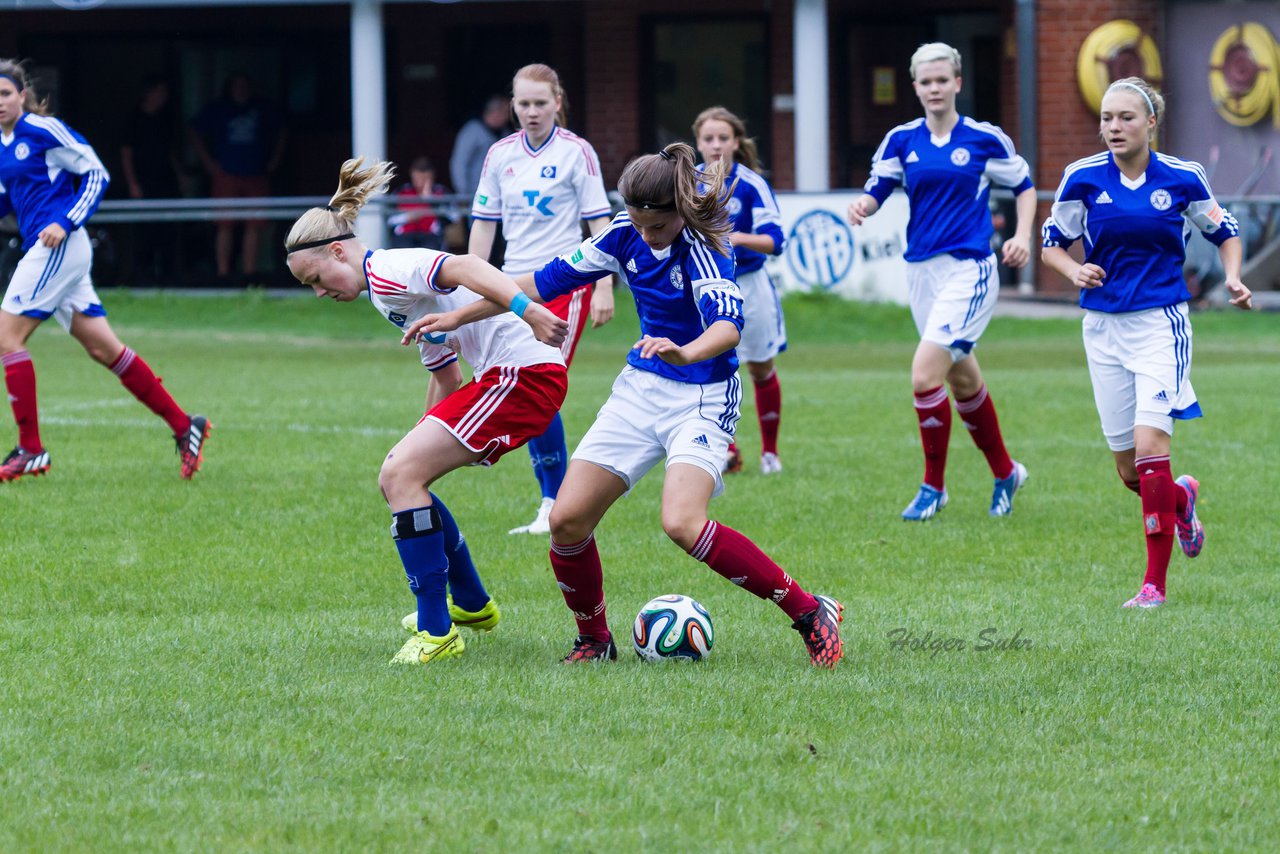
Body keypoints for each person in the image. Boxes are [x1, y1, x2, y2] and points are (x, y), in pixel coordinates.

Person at [405, 143, 845, 668]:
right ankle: (594, 640)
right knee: (567, 520)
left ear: (680, 213)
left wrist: (686, 350)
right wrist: (461, 316)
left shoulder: (706, 249)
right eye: (636, 224)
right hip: (640, 389)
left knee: (682, 522)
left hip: (702, 395)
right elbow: (539, 282)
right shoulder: (623, 231)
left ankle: (809, 612)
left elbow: (728, 328)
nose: (643, 235)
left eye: (654, 228)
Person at [284, 157, 569, 665]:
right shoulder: (382, 296)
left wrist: (528, 310)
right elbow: (446, 375)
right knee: (400, 476)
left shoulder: (390, 269)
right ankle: (473, 605)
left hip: (523, 376)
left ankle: (437, 632)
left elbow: (465, 266)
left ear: (336, 251)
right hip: (500, 378)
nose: (319, 292)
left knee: (401, 474)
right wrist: (411, 449)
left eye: (316, 278)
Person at [1041, 77, 1252, 609]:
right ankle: (1180, 499)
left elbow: (1223, 229)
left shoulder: (1182, 177)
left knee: (1153, 447)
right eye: (1107, 118)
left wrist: (1232, 277)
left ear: (1151, 122)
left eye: (1126, 117)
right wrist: (1073, 269)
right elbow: (1052, 245)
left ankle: (1153, 586)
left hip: (1161, 322)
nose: (1113, 126)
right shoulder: (1081, 177)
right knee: (1129, 469)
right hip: (1102, 329)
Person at [847, 42, 1036, 521]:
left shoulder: (984, 138)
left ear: (957, 82)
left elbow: (1024, 186)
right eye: (925, 82)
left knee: (923, 374)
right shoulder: (900, 140)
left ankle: (933, 487)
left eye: (942, 80)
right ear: (915, 87)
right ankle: (1006, 471)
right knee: (963, 377)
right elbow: (879, 189)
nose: (934, 88)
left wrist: (1021, 234)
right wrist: (862, 207)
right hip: (921, 273)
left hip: (968, 269)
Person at [0, 59, 210, 482]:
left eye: (5, 93)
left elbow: (96, 172)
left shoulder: (43, 131)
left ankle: (31, 449)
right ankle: (185, 425)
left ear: (22, 94)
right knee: (103, 348)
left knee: (6, 336)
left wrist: (66, 220)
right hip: (46, 248)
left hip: (57, 244)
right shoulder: (1, 145)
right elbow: (7, 200)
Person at [468, 63, 615, 535]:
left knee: (539, 385)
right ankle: (550, 498)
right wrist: (475, 280)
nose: (531, 112)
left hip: (564, 283)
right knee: (520, 385)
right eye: (523, 104)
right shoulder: (499, 154)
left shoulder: (578, 152)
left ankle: (553, 501)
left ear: (557, 102)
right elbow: (484, 223)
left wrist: (606, 284)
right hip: (512, 285)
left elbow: (601, 223)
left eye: (539, 103)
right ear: (512, 105)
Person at [693, 106, 787, 475]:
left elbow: (776, 241)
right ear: (698, 143)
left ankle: (770, 453)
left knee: (761, 367)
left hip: (750, 283)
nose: (716, 145)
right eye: (708, 139)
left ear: (736, 142)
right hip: (705, 289)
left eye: (723, 138)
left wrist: (736, 238)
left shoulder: (750, 184)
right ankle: (725, 448)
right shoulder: (688, 183)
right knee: (709, 365)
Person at [191, 73, 286, 284]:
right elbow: (194, 131)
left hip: (256, 174)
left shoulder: (262, 108)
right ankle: (223, 275)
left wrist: (274, 160)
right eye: (237, 85)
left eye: (245, 85)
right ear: (229, 88)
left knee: (255, 224)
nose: (241, 90)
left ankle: (249, 274)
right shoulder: (219, 108)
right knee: (225, 224)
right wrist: (207, 162)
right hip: (226, 174)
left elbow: (281, 131)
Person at [119, 76, 184, 284]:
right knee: (144, 232)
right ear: (149, 93)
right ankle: (142, 276)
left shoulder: (165, 118)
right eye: (160, 92)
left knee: (168, 229)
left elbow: (171, 151)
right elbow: (126, 153)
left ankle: (168, 276)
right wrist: (133, 184)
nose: (163, 97)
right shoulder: (134, 118)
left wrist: (180, 175)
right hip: (144, 182)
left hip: (166, 181)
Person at [449, 94, 508, 203]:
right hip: (475, 196)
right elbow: (459, 163)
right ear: (496, 112)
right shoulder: (472, 131)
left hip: (500, 195)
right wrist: (463, 194)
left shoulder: (505, 133)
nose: (508, 117)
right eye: (506, 112)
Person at [389, 156, 448, 251]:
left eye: (425, 178)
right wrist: (407, 217)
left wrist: (431, 201)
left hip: (431, 237)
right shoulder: (401, 192)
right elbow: (389, 220)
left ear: (432, 176)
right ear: (412, 175)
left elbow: (453, 217)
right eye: (418, 178)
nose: (421, 182)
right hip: (405, 236)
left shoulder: (441, 192)